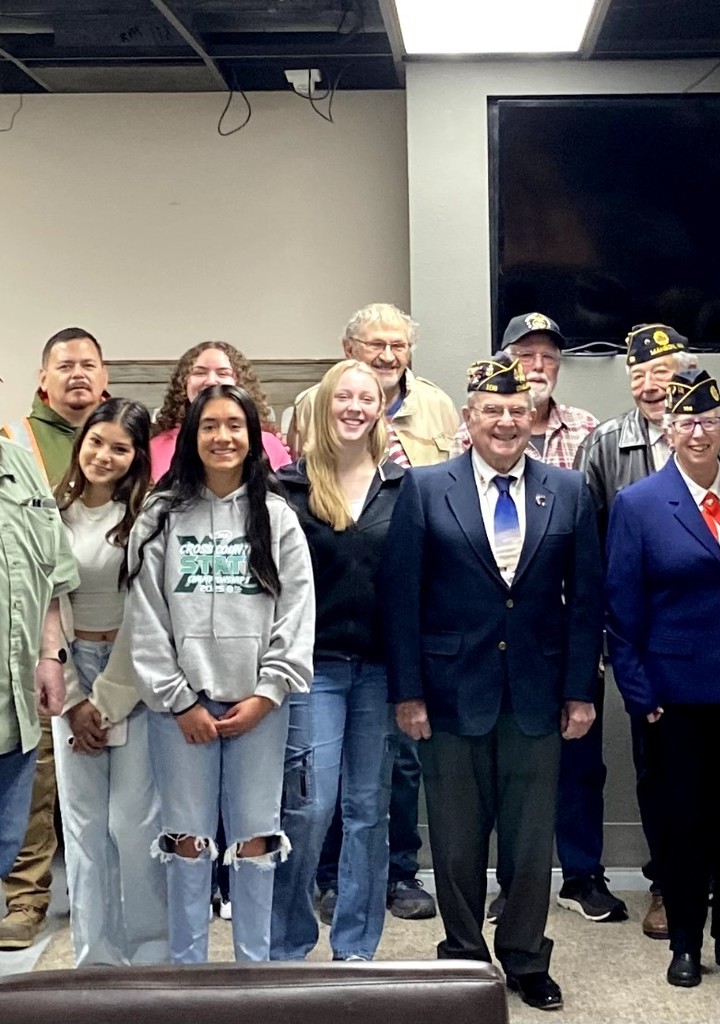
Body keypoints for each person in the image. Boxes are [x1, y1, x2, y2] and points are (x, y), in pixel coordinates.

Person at [384, 354, 603, 1011]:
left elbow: (586, 599)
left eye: (517, 411)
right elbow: (402, 597)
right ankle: (462, 961)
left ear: (532, 421)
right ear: (468, 420)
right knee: (454, 841)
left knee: (532, 840)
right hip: (449, 693)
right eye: (492, 411)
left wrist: (581, 690)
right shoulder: (424, 488)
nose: (506, 422)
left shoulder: (566, 490)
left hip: (537, 691)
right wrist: (409, 691)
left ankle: (527, 959)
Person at [575, 323, 720, 940]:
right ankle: (671, 889)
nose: (654, 387)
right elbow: (598, 553)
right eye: (639, 377)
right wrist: (627, 666)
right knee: (669, 790)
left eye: (662, 374)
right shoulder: (608, 447)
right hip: (662, 654)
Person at [123, 384, 314, 963]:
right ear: (192, 436)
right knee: (187, 841)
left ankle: (253, 970)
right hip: (180, 711)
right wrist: (178, 700)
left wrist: (269, 690)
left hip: (258, 707)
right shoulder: (160, 515)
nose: (222, 436)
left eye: (235, 425)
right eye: (210, 425)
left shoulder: (277, 516)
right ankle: (188, 971)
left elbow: (297, 609)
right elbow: (145, 615)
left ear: (253, 437)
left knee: (255, 840)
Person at [291, 303, 457, 923]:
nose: (388, 356)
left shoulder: (431, 420)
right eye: (374, 346)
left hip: (392, 648)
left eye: (399, 345)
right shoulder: (303, 446)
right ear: (347, 351)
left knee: (387, 782)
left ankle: (385, 894)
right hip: (320, 654)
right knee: (317, 792)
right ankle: (319, 892)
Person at [454, 314, 617, 926]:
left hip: (556, 641)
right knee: (492, 781)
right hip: (480, 647)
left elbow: (591, 552)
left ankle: (580, 875)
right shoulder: (464, 438)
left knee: (575, 766)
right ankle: (507, 886)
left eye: (549, 355)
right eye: (527, 354)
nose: (539, 365)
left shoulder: (589, 434)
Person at [270, 360, 403, 961]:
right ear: (324, 406)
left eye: (366, 397)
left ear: (380, 408)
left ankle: (356, 948)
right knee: (309, 806)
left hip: (379, 671)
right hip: (312, 669)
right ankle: (291, 943)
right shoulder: (287, 488)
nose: (354, 406)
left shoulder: (404, 487)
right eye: (343, 396)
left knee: (368, 811)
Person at [50, 398, 168, 966]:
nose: (104, 455)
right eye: (97, 441)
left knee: (134, 822)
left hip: (134, 674)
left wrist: (108, 698)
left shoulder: (150, 515)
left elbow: (149, 613)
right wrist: (74, 699)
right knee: (85, 827)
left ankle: (149, 957)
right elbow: (46, 607)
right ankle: (94, 959)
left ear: (137, 457)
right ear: (82, 441)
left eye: (120, 448)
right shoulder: (54, 510)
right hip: (69, 676)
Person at [1, 326, 107, 951]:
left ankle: (102, 900)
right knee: (36, 772)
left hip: (100, 627)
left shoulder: (128, 438)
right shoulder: (18, 441)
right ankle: (26, 897)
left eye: (88, 365)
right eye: (64, 365)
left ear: (105, 376)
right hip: (33, 630)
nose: (77, 375)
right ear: (41, 378)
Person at [0, 427, 78, 891]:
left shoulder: (20, 462)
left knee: (6, 847)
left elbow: (50, 569)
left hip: (16, 706)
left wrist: (51, 653)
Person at [149, 341, 291, 481]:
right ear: (183, 383)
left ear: (240, 383)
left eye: (223, 373)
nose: (211, 381)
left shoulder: (269, 444)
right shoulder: (156, 447)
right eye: (200, 372)